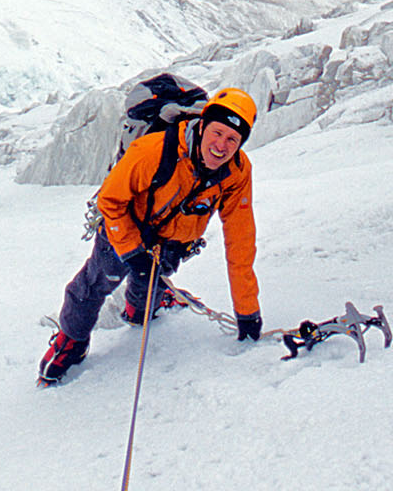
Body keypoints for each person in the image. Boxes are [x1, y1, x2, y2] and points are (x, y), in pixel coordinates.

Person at [38, 87, 262, 384]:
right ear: (204, 125)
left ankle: (140, 310)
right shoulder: (154, 151)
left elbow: (241, 240)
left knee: (151, 281)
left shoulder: (237, 172)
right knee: (97, 281)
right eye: (217, 132)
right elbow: (110, 200)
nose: (221, 146)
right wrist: (131, 249)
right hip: (126, 227)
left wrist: (247, 311)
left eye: (232, 139)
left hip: (173, 243)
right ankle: (71, 340)